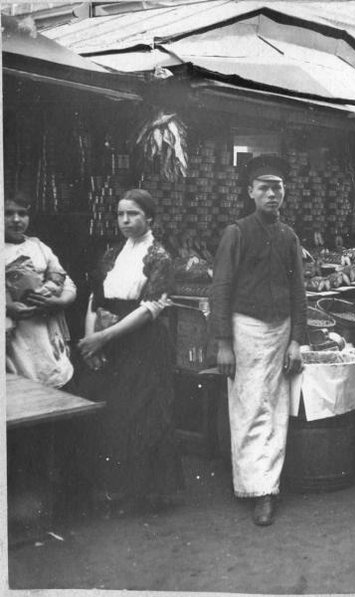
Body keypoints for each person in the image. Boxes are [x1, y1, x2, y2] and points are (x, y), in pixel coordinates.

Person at [210, 155, 305, 526]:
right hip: (245, 329)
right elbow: (220, 288)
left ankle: (269, 486)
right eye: (263, 187)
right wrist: (223, 342)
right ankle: (254, 490)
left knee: (277, 406)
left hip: (280, 330)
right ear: (250, 192)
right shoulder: (236, 232)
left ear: (285, 193)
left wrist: (298, 339)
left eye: (277, 187)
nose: (271, 194)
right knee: (248, 408)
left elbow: (299, 291)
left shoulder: (289, 235)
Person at [77, 188, 184, 517]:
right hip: (110, 341)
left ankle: (146, 493)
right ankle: (115, 488)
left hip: (144, 343)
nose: (125, 220)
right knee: (113, 414)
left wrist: (104, 336)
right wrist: (89, 340)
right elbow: (96, 299)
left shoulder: (160, 257)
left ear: (149, 217)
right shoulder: (111, 254)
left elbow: (150, 308)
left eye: (133, 214)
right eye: (121, 214)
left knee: (143, 413)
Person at [5, 191, 77, 390]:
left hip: (44, 327)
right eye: (8, 213)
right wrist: (8, 307)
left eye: (22, 213)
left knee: (52, 382)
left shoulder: (38, 246)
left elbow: (66, 282)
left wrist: (60, 302)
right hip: (14, 334)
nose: (16, 220)